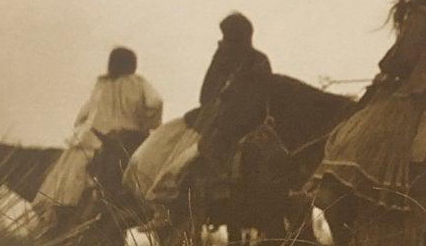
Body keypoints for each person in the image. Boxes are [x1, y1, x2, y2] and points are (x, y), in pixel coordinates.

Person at [307, 0, 426, 210]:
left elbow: (404, 56)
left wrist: (387, 71)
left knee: (368, 124)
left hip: (421, 85)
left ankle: (370, 184)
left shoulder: (420, 17)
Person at [138, 13, 271, 231]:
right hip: (221, 118)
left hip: (246, 120)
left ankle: (170, 201)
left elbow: (261, 94)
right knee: (187, 156)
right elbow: (207, 93)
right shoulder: (234, 57)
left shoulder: (256, 60)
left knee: (190, 154)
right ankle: (170, 203)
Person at [39, 46, 163, 211]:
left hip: (101, 138)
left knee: (77, 167)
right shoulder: (138, 82)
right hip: (132, 138)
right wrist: (146, 123)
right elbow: (156, 102)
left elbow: (84, 114)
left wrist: (89, 127)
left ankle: (79, 206)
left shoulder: (102, 85)